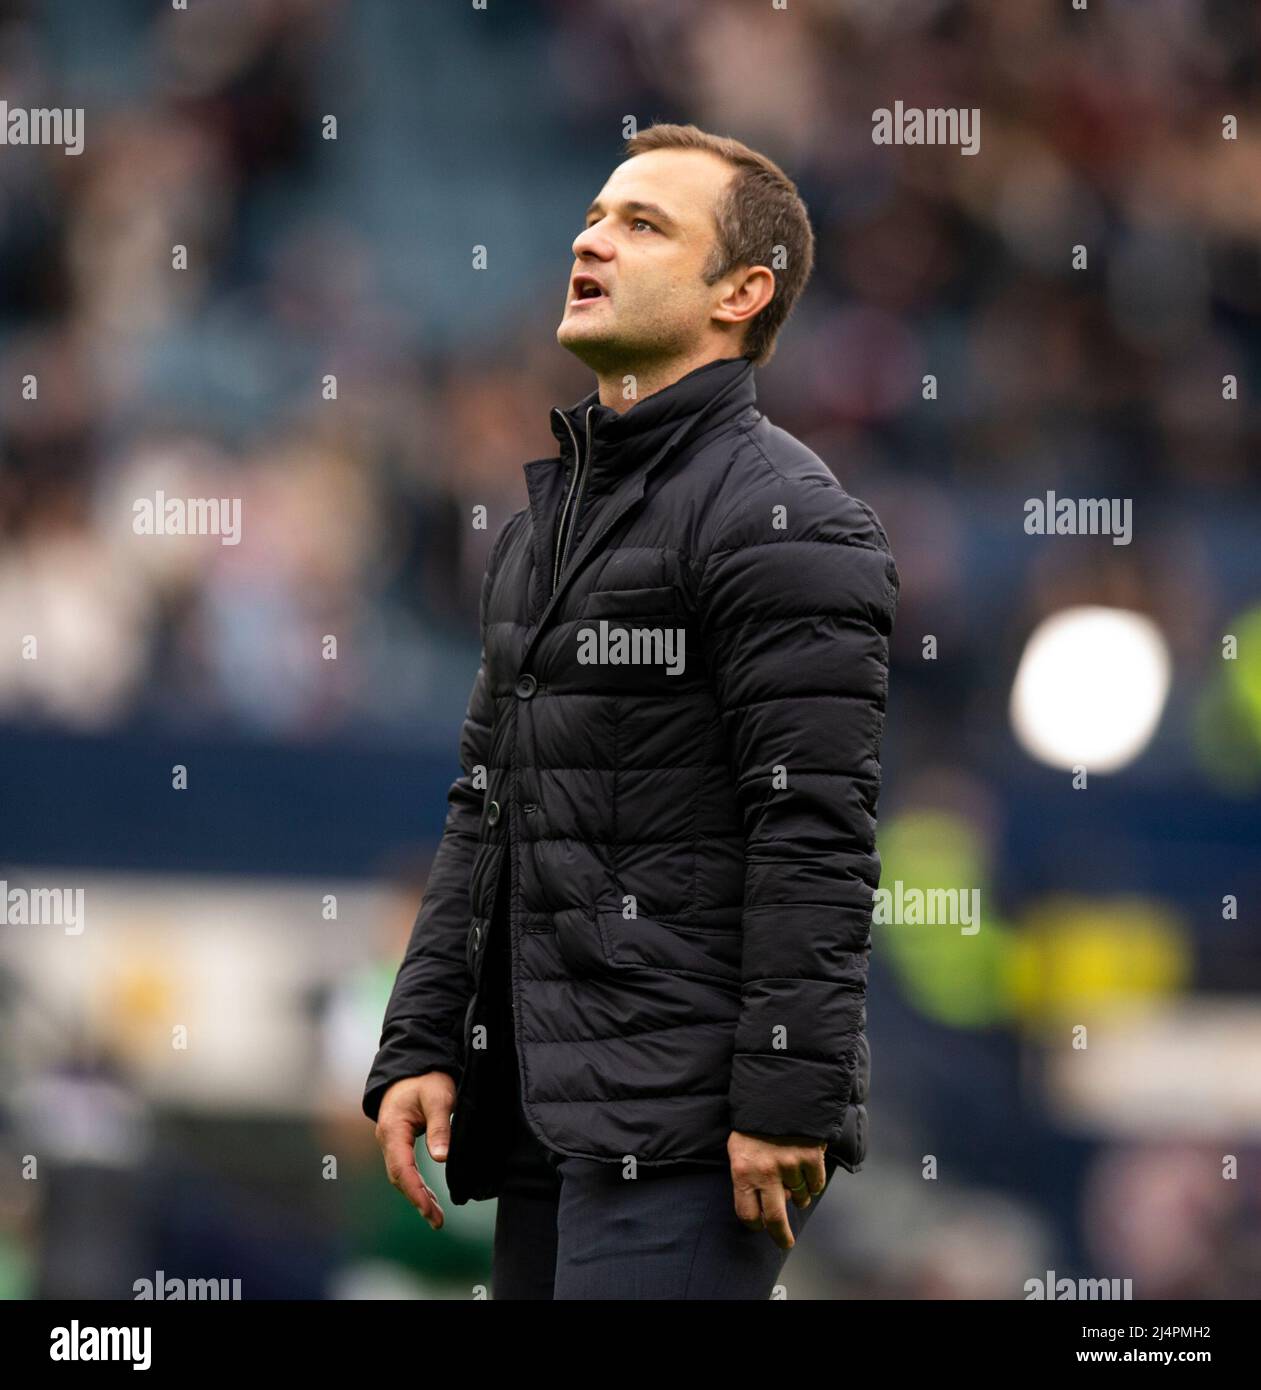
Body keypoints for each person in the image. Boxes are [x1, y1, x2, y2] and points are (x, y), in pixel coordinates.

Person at [365, 122, 899, 1299]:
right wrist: (424, 1037)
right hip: (548, 1120)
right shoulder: (544, 526)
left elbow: (814, 831)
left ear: (741, 293)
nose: (590, 238)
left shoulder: (788, 520)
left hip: (691, 1135)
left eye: (643, 224)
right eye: (596, 215)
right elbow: (485, 804)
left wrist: (781, 1095)